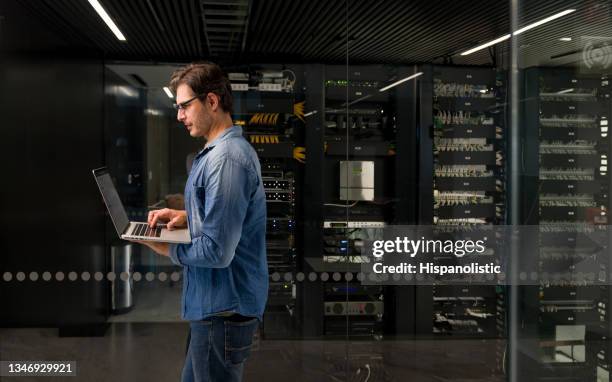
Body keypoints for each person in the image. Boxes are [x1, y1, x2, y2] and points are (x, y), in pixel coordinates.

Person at [136, 62, 268, 382]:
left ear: (211, 101)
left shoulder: (226, 160)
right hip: (214, 309)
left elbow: (217, 253)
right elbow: (223, 218)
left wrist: (164, 247)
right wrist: (186, 216)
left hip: (223, 310)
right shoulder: (215, 152)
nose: (179, 115)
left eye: (184, 106)